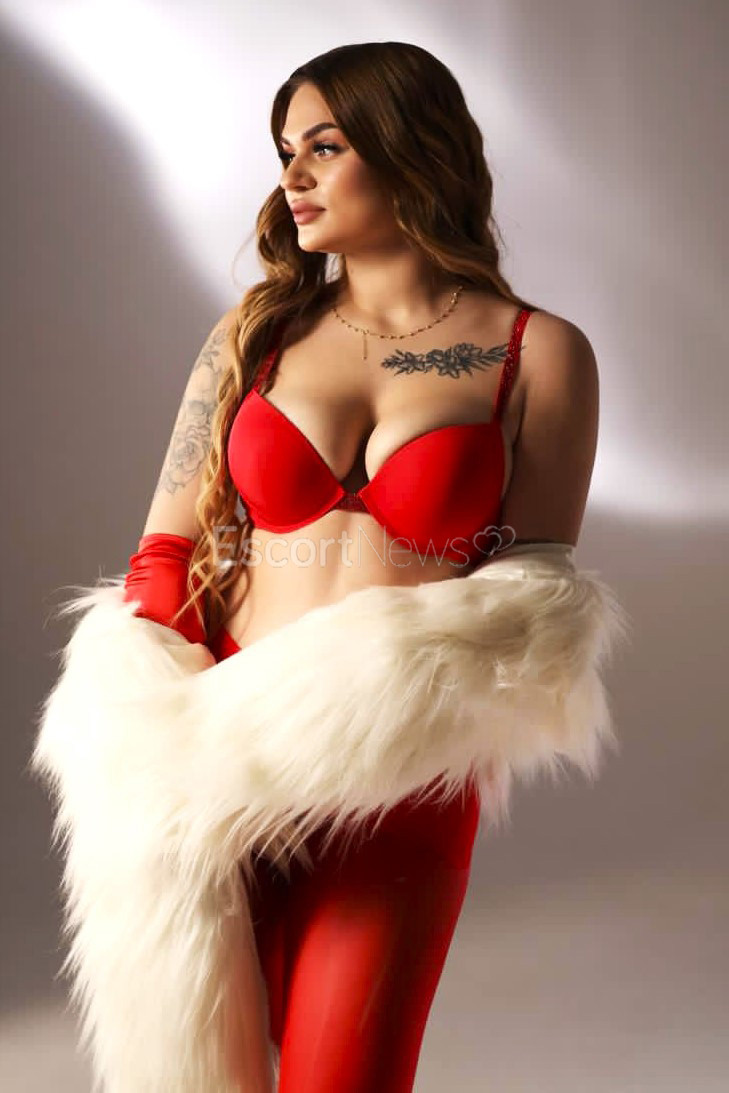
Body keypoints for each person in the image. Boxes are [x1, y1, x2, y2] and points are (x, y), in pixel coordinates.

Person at [31, 42, 629, 1093]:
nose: (292, 177)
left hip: (397, 779)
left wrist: (389, 695)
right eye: (285, 152)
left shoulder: (537, 353)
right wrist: (149, 731)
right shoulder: (254, 336)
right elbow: (165, 551)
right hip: (215, 765)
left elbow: (529, 596)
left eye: (324, 146)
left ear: (410, 148)